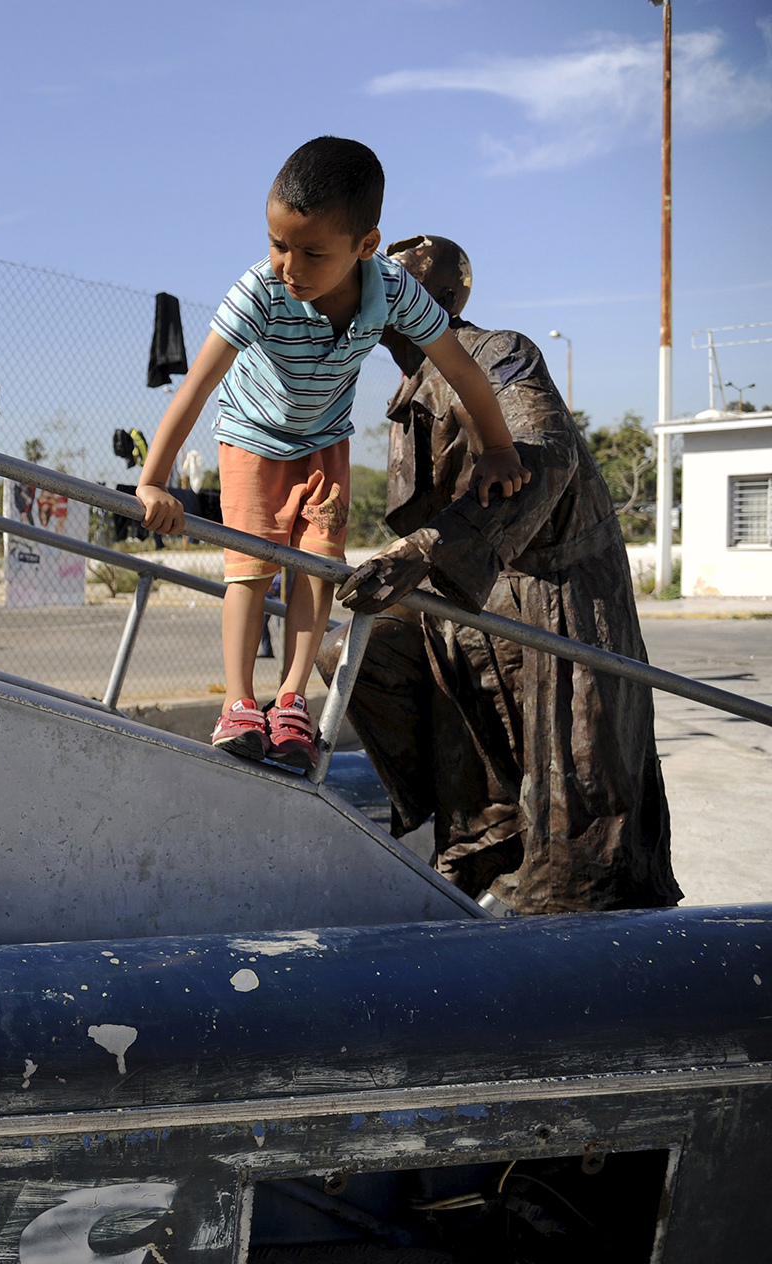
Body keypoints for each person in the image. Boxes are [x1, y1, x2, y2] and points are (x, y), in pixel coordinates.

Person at [135, 137, 530, 769]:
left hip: (324, 441)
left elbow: (461, 368)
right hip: (250, 436)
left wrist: (500, 446)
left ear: (366, 247)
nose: (288, 265)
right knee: (251, 565)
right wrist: (154, 482)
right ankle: (240, 703)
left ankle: (289, 703)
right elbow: (198, 385)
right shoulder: (260, 291)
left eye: (312, 252)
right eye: (277, 243)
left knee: (319, 564)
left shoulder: (394, 291)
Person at [329, 235, 678, 914]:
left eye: (390, 287)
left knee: (577, 829)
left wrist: (427, 549)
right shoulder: (411, 386)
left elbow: (543, 451)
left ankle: (581, 924)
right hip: (477, 592)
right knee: (356, 650)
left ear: (432, 300)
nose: (373, 300)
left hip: (557, 594)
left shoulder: (498, 352)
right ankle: (474, 849)